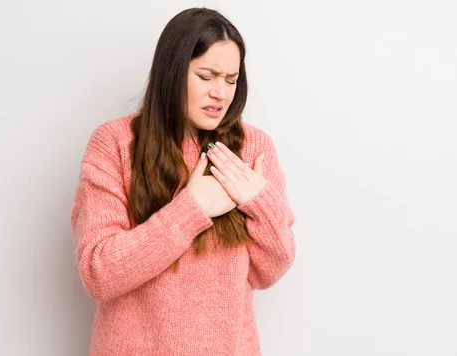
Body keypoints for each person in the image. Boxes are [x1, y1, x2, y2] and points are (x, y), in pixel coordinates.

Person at [70, 7, 296, 355]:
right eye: (206, 76)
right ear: (173, 72)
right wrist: (192, 208)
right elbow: (99, 272)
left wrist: (259, 202)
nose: (220, 93)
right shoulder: (114, 143)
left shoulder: (253, 148)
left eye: (231, 79)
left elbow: (269, 272)